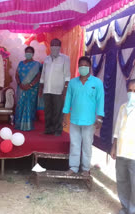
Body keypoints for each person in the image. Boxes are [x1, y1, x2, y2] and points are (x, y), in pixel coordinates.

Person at [63, 56, 105, 176]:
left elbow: (100, 101)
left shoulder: (97, 83)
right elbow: (68, 100)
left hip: (90, 121)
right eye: (81, 66)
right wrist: (64, 117)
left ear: (90, 68)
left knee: (87, 145)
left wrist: (100, 118)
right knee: (74, 144)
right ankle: (73, 167)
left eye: (86, 66)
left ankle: (86, 169)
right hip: (74, 120)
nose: (83, 68)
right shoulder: (72, 82)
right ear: (78, 67)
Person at [110, 79, 135, 214]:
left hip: (133, 154)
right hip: (121, 151)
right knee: (122, 181)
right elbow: (117, 129)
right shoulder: (123, 107)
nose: (132, 93)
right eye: (130, 91)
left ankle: (132, 210)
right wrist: (114, 147)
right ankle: (125, 207)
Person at [39, 38, 70, 136]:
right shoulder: (47, 59)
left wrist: (65, 89)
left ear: (60, 47)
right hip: (47, 89)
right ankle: (49, 129)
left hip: (58, 90)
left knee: (57, 110)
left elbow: (67, 75)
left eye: (56, 45)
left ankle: (57, 130)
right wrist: (41, 88)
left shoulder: (65, 58)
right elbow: (43, 75)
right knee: (48, 110)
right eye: (52, 45)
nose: (54, 47)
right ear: (50, 46)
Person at [14, 46, 41, 131]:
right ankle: (19, 124)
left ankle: (28, 124)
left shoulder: (37, 64)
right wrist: (20, 84)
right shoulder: (21, 63)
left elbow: (38, 76)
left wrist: (30, 85)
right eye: (26, 52)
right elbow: (17, 75)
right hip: (21, 88)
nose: (28, 54)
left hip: (31, 89)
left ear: (33, 54)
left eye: (30, 52)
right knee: (20, 105)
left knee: (29, 106)